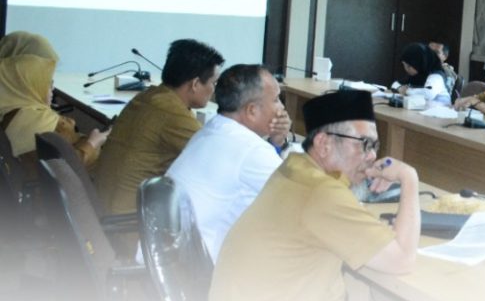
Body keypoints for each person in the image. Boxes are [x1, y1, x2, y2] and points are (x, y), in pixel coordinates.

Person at [209, 88, 428, 301]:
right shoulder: (321, 192)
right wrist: (409, 178)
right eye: (364, 144)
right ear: (324, 144)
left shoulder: (297, 169)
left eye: (375, 146)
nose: (372, 156)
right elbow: (402, 260)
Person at [165, 64, 289, 260]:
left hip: (172, 260)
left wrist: (277, 143)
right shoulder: (252, 150)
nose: (282, 108)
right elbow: (300, 198)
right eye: (276, 100)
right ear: (251, 110)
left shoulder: (210, 130)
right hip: (201, 269)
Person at [93, 39, 223, 215]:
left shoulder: (149, 96)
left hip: (104, 207)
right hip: (131, 220)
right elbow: (215, 161)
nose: (214, 90)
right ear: (195, 84)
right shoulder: (173, 113)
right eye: (213, 83)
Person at [0, 44, 106, 173]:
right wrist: (93, 143)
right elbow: (64, 172)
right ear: (31, 86)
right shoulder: (38, 122)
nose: (53, 88)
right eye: (48, 83)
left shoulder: (12, 113)